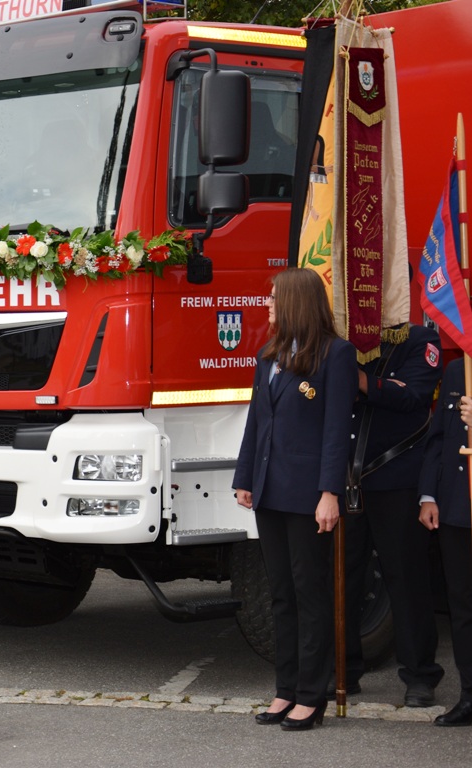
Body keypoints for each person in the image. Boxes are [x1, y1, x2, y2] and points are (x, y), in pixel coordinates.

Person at [233, 268, 356, 731]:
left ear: (296, 302)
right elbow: (256, 422)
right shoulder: (270, 355)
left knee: (310, 594)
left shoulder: (336, 355)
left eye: (272, 299)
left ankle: (312, 695)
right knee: (280, 595)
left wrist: (330, 492)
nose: (267, 305)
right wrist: (245, 477)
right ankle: (285, 689)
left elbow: (335, 432)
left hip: (308, 497)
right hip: (269, 492)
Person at [339, 322, 443, 705]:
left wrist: (361, 381)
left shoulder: (420, 339)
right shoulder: (343, 337)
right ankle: (343, 669)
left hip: (396, 476)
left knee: (406, 578)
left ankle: (420, 674)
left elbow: (412, 396)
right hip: (347, 476)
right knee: (342, 579)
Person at [418, 359, 472, 726]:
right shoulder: (457, 371)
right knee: (463, 607)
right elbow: (438, 437)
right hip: (456, 508)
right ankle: (469, 695)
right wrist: (428, 495)